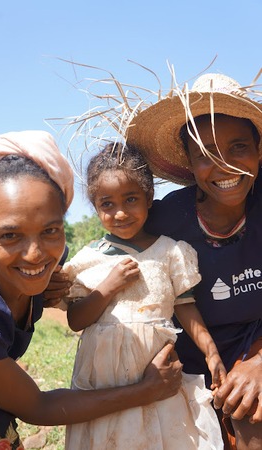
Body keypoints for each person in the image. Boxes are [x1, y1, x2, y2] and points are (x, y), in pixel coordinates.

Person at [0, 130, 183, 449]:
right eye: (10, 236)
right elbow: (36, 406)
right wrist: (146, 390)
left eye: (50, 230)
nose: (35, 254)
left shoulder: (55, 261)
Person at [126, 73, 262, 450]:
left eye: (238, 147)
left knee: (252, 413)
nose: (224, 166)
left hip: (255, 345)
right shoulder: (166, 221)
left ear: (258, 149)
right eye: (205, 154)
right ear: (188, 161)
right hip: (188, 360)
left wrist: (259, 363)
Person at [62, 142, 224, 450]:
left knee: (160, 435)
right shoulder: (87, 260)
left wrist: (211, 352)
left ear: (149, 199)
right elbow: (75, 320)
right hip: (104, 379)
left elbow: (186, 308)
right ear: (96, 208)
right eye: (107, 204)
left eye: (131, 199)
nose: (120, 212)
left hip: (157, 370)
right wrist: (107, 287)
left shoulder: (171, 252)